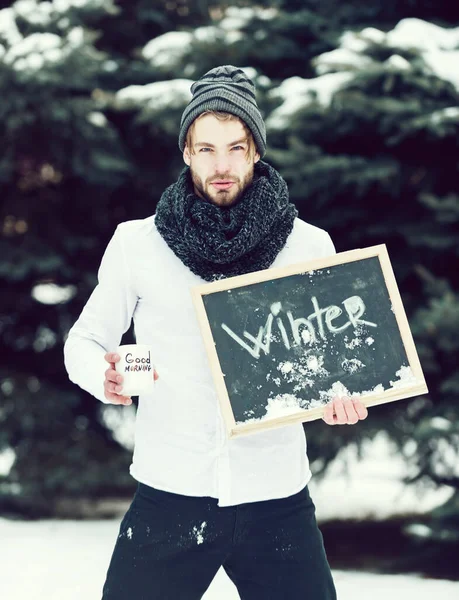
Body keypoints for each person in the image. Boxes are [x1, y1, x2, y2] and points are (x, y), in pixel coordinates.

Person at [64, 65, 368, 600]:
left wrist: (343, 395)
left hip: (276, 498)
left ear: (255, 150)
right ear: (186, 152)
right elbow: (83, 342)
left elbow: (335, 364)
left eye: (235, 147)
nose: (220, 165)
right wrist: (103, 377)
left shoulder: (309, 246)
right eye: (206, 149)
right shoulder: (139, 244)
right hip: (170, 492)